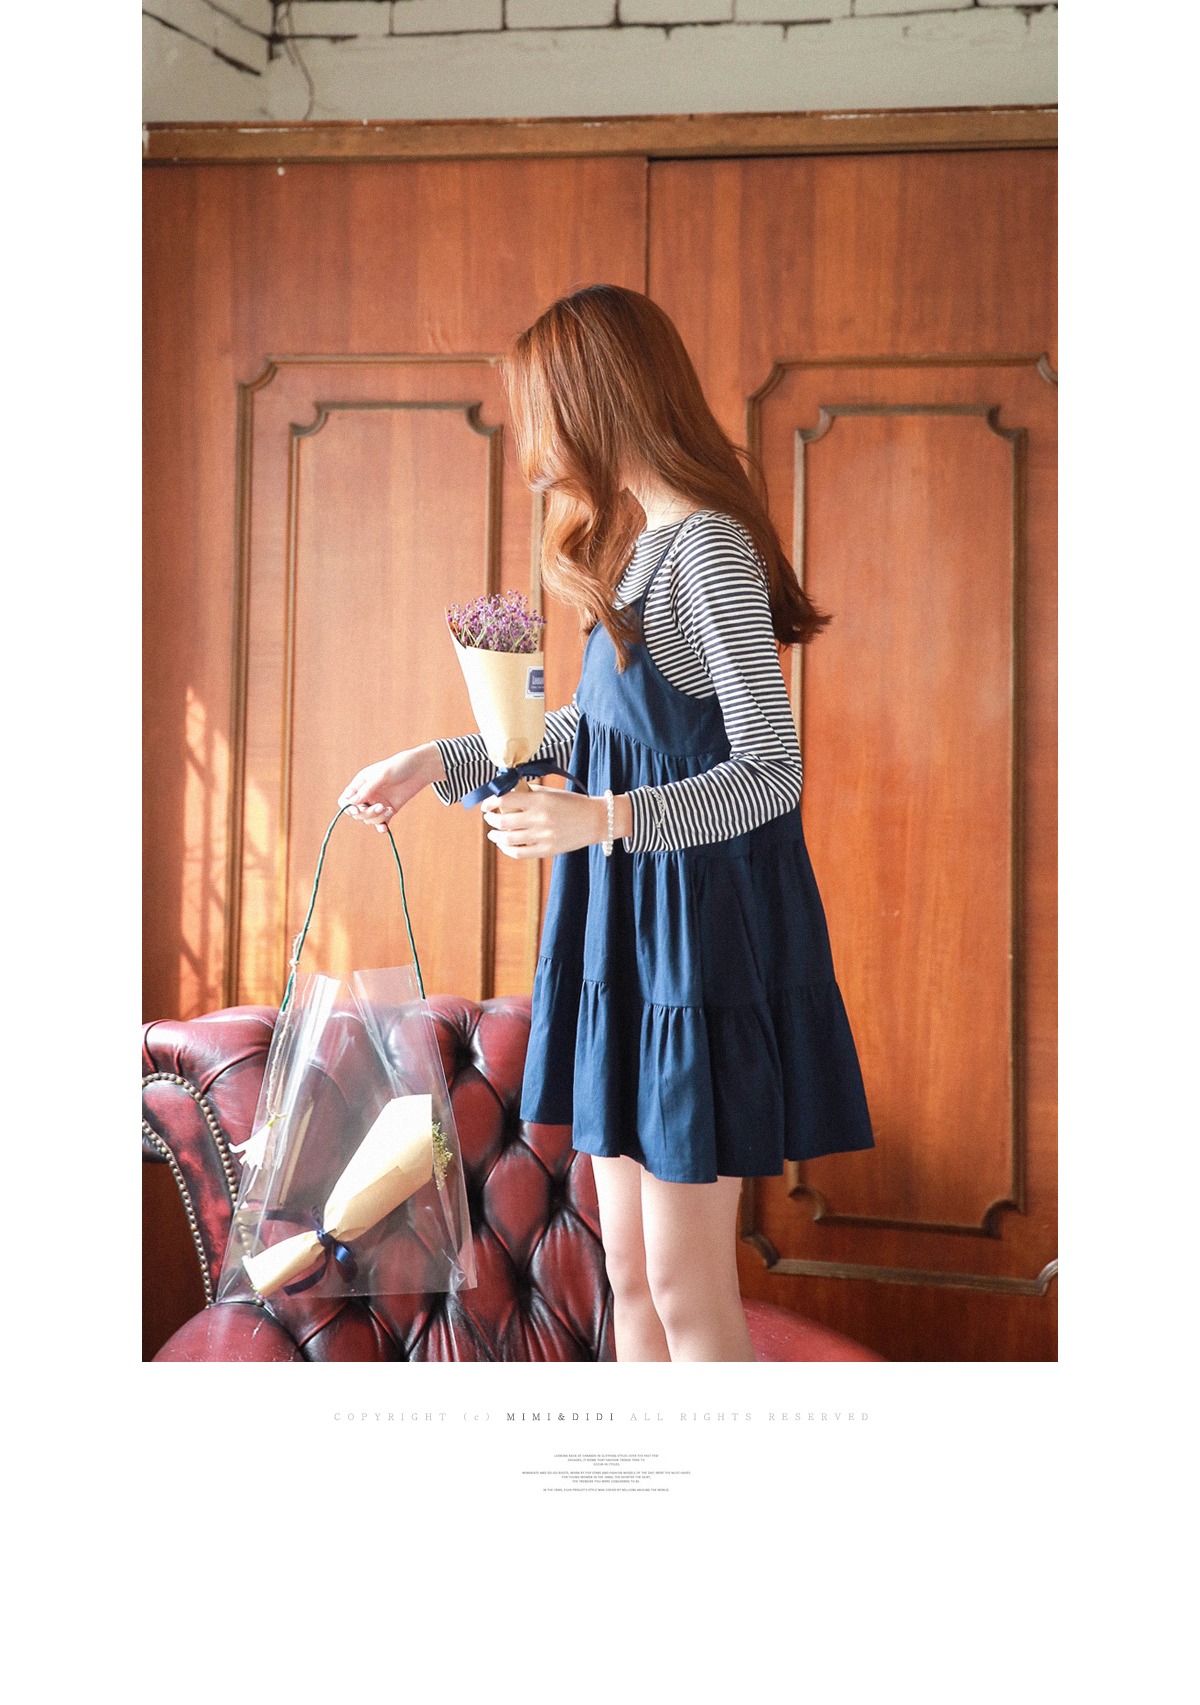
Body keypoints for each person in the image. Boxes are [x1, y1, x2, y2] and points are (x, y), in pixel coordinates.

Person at [338, 284, 874, 1363]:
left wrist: (603, 818)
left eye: (541, 412)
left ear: (596, 402)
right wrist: (433, 761)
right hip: (625, 941)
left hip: (694, 953)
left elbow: (771, 772)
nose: (533, 446)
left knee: (681, 1281)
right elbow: (592, 732)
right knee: (627, 1271)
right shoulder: (635, 550)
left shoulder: (707, 548)